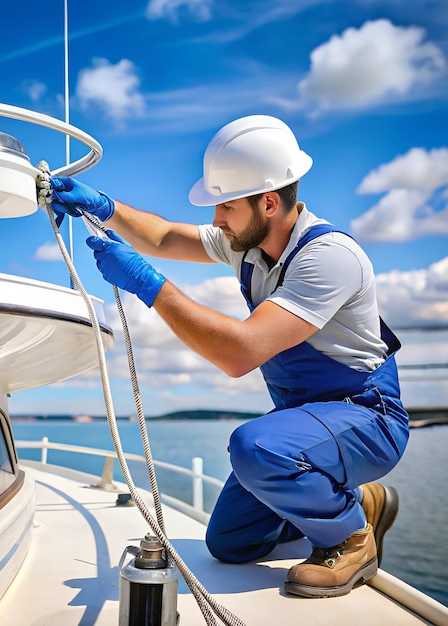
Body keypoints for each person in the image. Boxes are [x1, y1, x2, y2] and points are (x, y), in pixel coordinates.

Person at [44, 115, 409, 598]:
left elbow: (241, 353)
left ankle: (348, 536)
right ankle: (357, 500)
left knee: (256, 447)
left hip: (367, 419)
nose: (217, 219)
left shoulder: (329, 257)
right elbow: (164, 237)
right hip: (308, 423)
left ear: (269, 202)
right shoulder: (252, 242)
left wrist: (150, 286)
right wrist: (106, 207)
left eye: (226, 206)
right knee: (231, 543)